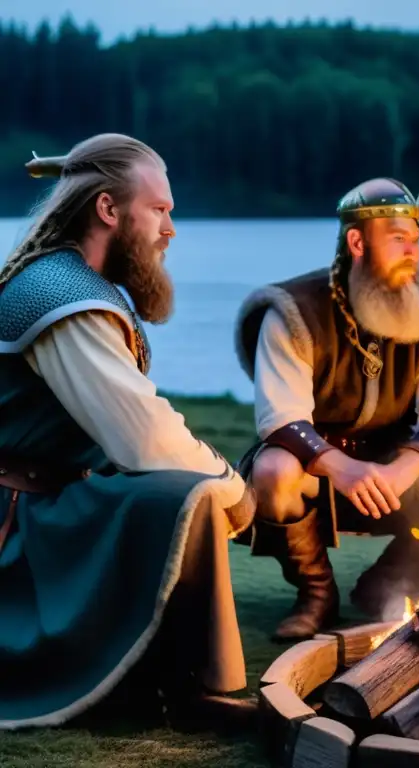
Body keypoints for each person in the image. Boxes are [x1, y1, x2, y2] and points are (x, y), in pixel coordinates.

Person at [0, 134, 256, 731]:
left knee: (170, 489)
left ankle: (164, 679)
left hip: (52, 503)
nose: (172, 228)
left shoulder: (70, 282)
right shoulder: (61, 296)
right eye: (160, 210)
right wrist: (237, 491)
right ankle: (182, 688)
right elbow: (143, 439)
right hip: (19, 526)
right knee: (180, 491)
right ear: (109, 210)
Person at [234, 177, 419, 642]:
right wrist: (343, 468)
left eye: (415, 239)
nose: (412, 251)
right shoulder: (294, 311)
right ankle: (316, 594)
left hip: (394, 467)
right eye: (397, 239)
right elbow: (280, 419)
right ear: (357, 241)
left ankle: (389, 582)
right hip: (318, 470)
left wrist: (404, 469)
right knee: (273, 469)